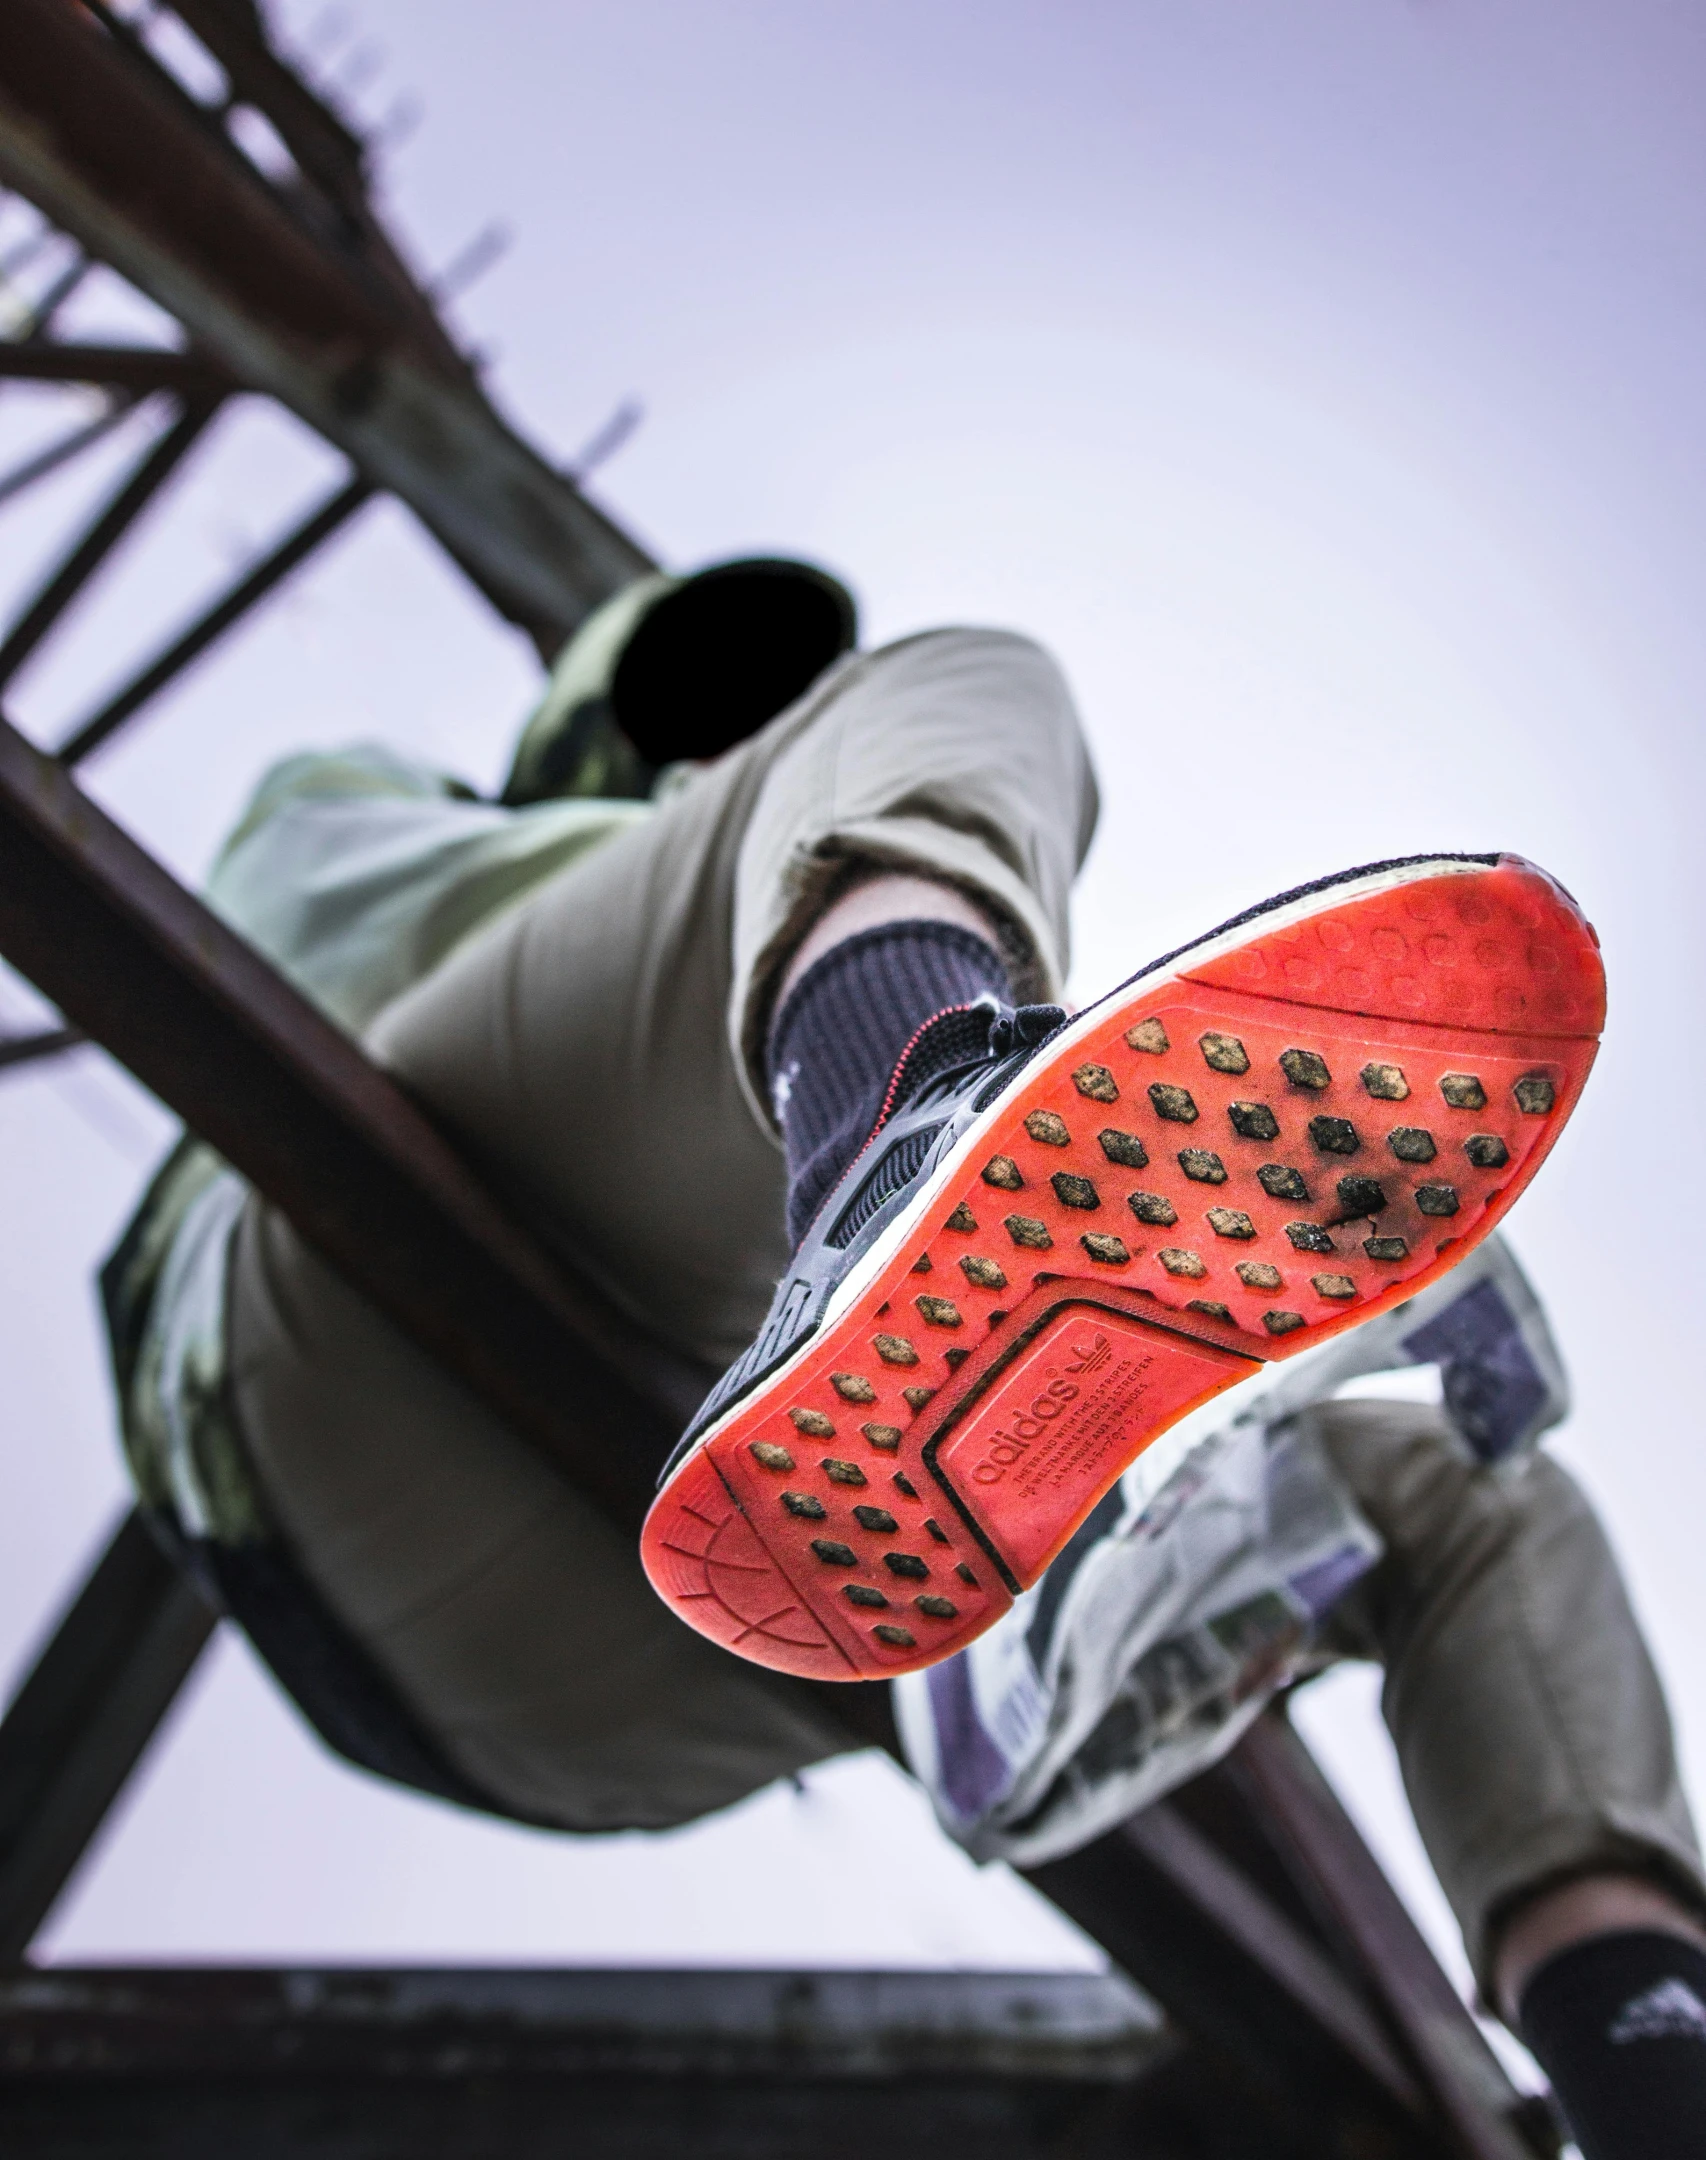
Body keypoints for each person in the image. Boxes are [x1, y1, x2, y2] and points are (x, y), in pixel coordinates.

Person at [104, 558, 1705, 2157]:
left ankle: (1652, 2077)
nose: (706, 755)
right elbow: (342, 919)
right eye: (672, 719)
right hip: (336, 1366)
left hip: (665, 1663)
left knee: (1477, 1509)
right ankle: (900, 1140)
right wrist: (874, 869)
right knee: (960, 690)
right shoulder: (370, 810)